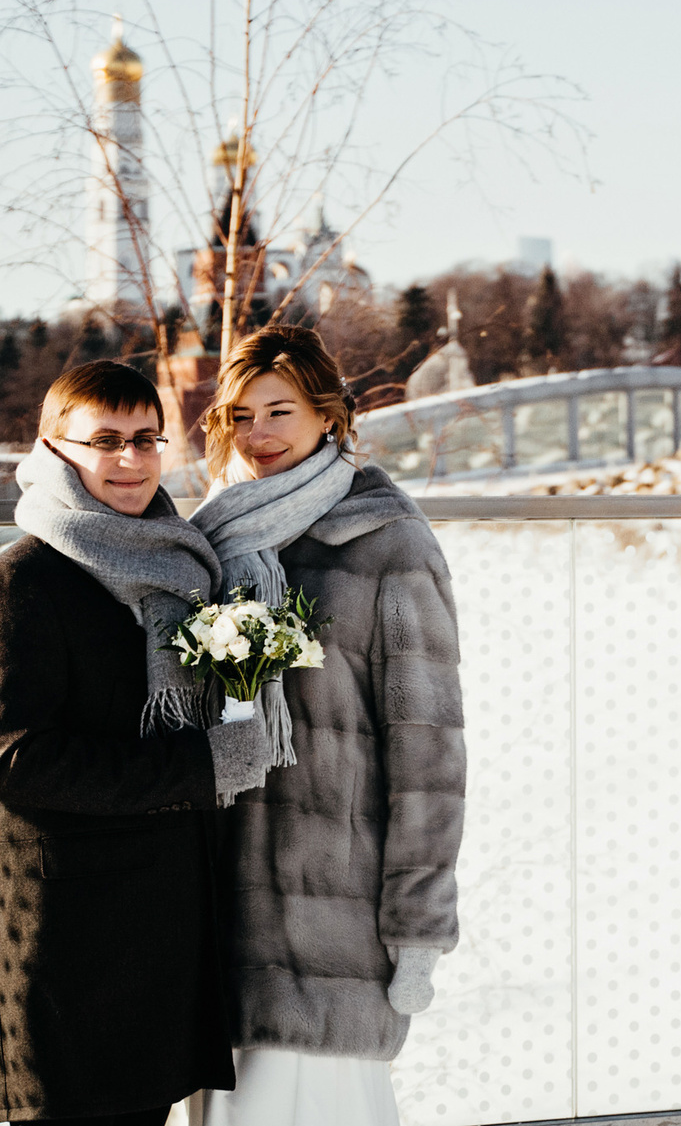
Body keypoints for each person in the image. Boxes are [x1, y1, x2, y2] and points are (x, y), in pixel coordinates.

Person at [0, 359, 278, 1125]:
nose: (131, 459)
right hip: (70, 948)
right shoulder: (20, 585)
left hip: (160, 939)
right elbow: (17, 760)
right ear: (55, 448)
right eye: (105, 440)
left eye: (146, 437)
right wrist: (201, 764)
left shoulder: (176, 573)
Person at [182, 324, 465, 1126]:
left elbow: (430, 749)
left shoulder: (387, 540)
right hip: (220, 911)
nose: (259, 434)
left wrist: (419, 926)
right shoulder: (215, 537)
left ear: (329, 416)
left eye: (279, 411)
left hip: (330, 919)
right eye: (239, 416)